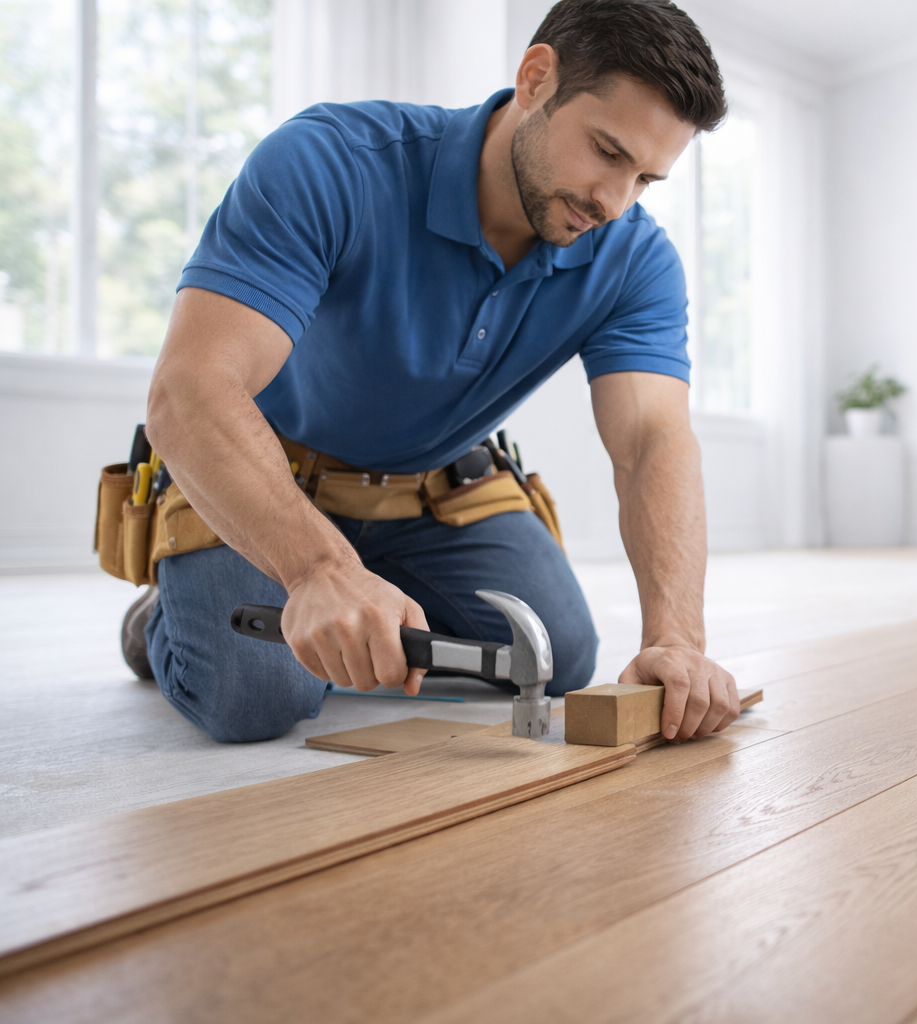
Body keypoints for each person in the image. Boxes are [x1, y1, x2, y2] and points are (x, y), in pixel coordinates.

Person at [122, 0, 740, 744]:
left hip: (433, 491)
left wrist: (678, 639)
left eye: (645, 178)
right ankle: (166, 619)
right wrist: (318, 569)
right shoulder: (331, 162)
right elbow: (189, 393)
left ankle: (365, 596)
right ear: (537, 78)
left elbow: (651, 442)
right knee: (256, 698)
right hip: (264, 476)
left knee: (564, 659)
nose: (614, 203)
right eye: (607, 151)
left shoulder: (635, 258)